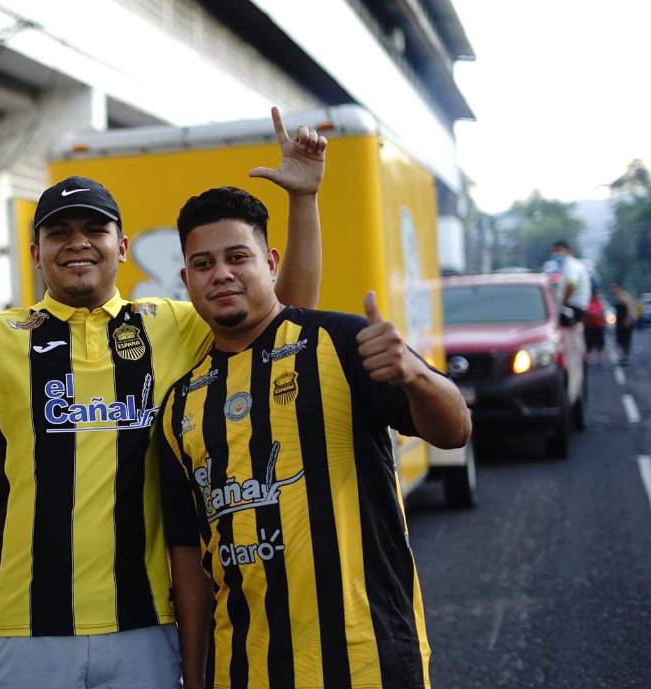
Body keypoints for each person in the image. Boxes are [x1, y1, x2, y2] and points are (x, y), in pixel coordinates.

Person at [0, 107, 327, 689]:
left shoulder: (171, 323)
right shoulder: (2, 335)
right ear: (36, 253)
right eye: (59, 233)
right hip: (28, 628)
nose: (77, 244)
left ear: (121, 246)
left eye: (93, 230)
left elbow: (280, 320)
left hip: (148, 623)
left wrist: (304, 201)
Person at [157, 186, 470, 689]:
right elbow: (190, 562)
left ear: (271, 262)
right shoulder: (178, 406)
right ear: (186, 279)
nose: (221, 274)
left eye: (238, 257)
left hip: (367, 659)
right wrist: (194, 677)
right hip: (243, 671)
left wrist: (416, 375)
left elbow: (454, 430)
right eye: (203, 263)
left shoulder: (340, 342)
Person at [550, 240, 591, 326]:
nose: (556, 254)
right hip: (578, 307)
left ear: (567, 251)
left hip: (574, 307)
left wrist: (562, 303)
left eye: (558, 251)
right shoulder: (569, 265)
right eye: (554, 252)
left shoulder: (571, 265)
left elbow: (571, 285)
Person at [610, 282, 637, 364]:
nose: (612, 290)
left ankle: (625, 357)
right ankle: (623, 357)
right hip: (619, 321)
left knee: (626, 340)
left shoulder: (624, 296)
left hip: (626, 321)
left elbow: (629, 307)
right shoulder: (616, 297)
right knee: (620, 340)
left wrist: (628, 319)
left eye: (614, 288)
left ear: (618, 287)